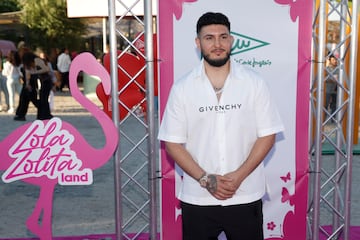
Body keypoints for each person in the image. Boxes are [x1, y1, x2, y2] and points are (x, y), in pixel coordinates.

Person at [158, 12, 284, 240]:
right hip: (198, 197)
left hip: (246, 194)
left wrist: (238, 176)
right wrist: (207, 180)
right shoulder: (182, 88)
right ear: (198, 43)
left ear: (231, 40)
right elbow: (172, 143)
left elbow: (267, 135)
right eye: (209, 38)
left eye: (223, 37)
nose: (217, 44)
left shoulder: (255, 83)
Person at [14, 51, 52, 121]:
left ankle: (45, 114)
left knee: (42, 98)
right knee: (38, 98)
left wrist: (35, 73)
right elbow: (28, 73)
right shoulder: (30, 64)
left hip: (45, 81)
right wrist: (28, 83)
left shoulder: (37, 61)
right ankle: (43, 115)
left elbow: (46, 69)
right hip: (41, 81)